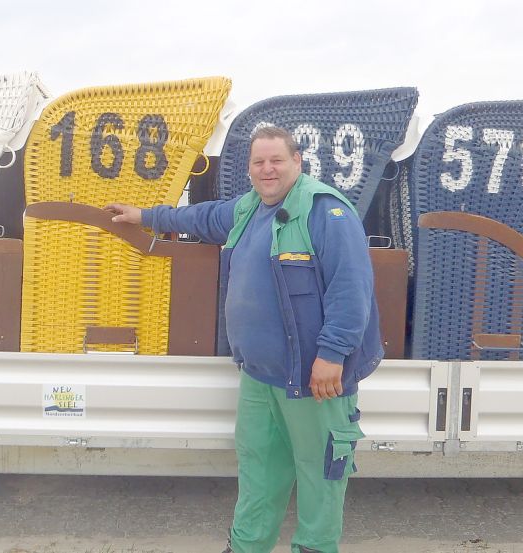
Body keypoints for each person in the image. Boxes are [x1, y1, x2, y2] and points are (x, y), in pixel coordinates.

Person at [105, 126, 383, 553]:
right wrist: (145, 216)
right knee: (258, 474)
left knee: (320, 477)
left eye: (276, 160)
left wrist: (332, 354)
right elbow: (200, 217)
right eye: (259, 162)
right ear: (250, 170)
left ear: (297, 162)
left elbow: (352, 289)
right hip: (258, 377)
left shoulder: (326, 212)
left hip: (313, 379)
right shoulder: (250, 208)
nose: (267, 169)